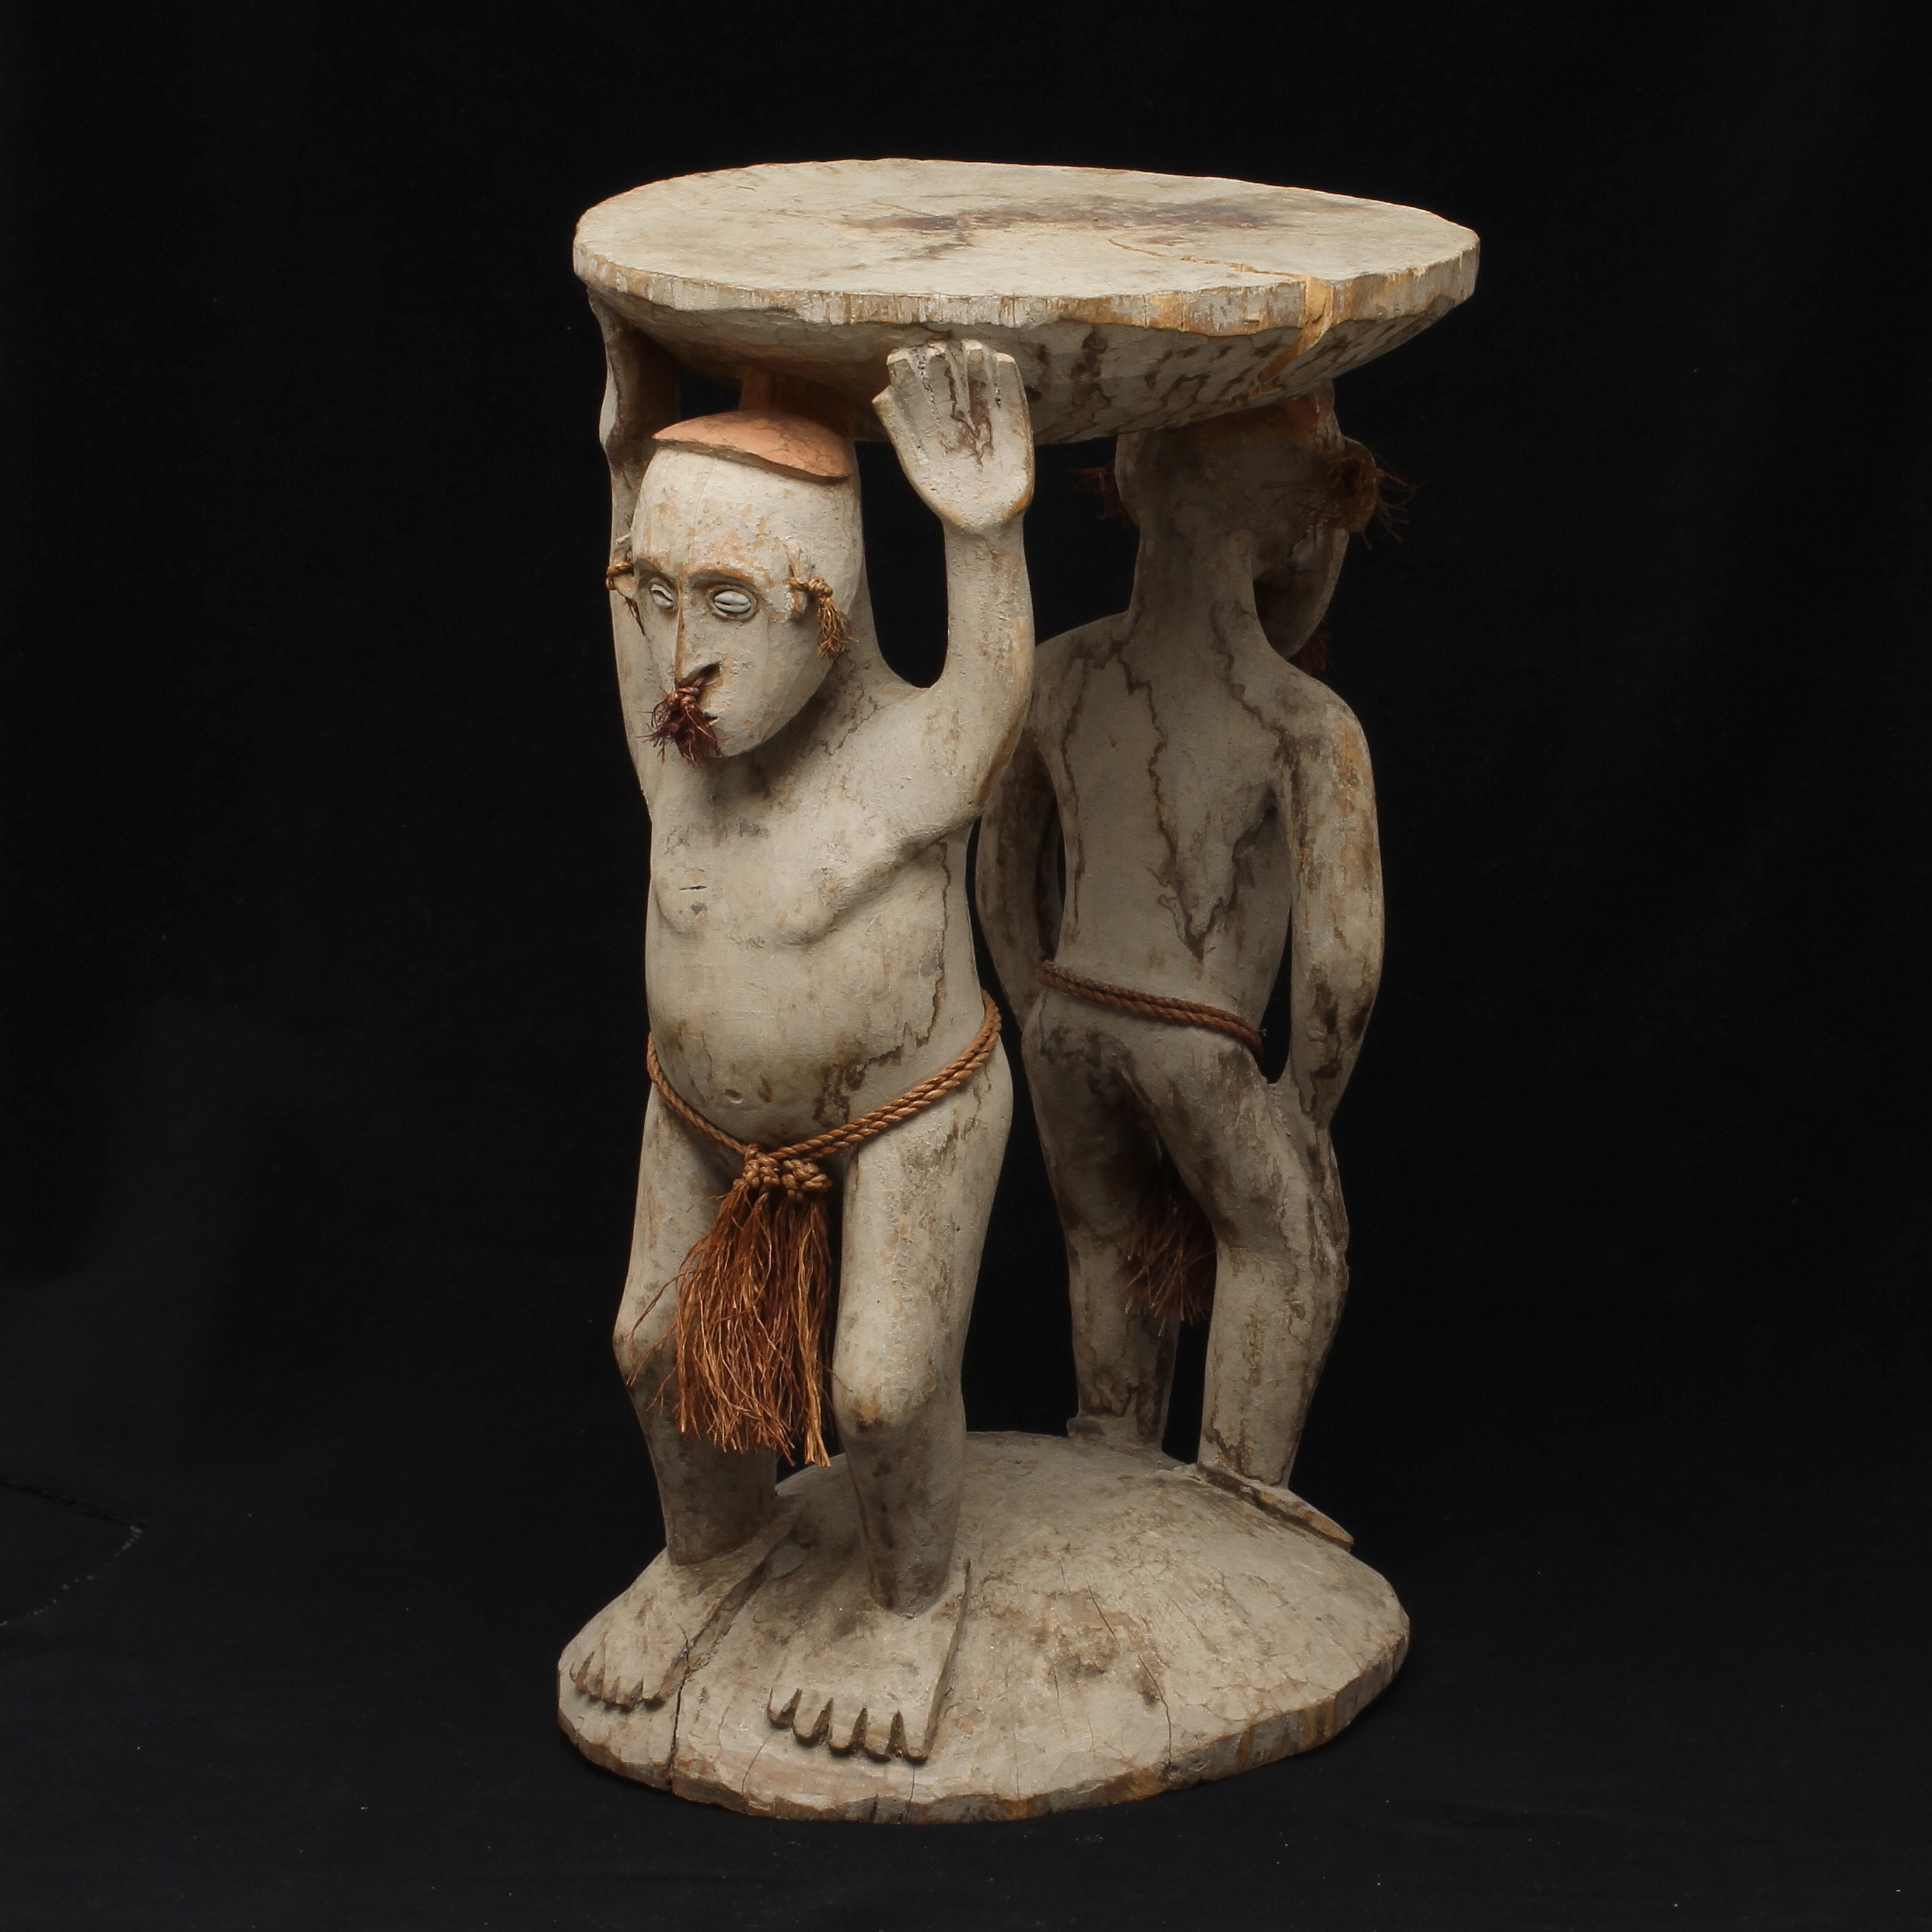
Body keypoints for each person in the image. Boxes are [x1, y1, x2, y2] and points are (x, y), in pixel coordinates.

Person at [568, 341, 1033, 1762]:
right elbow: (627, 575)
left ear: (827, 616)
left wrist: (982, 528)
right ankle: (708, 1550)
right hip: (699, 1113)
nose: (682, 659)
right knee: (651, 1344)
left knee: (882, 1384)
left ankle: (910, 1603)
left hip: (908, 1110)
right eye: (656, 599)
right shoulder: (678, 748)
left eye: (729, 604)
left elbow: (990, 696)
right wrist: (628, 450)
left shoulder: (902, 761)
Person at [978, 385, 1383, 1535]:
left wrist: (1037, 1004)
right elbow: (1344, 959)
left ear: (1135, 483)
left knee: (1103, 1240)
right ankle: (1239, 1499)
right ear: (1302, 525)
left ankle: (1110, 1451)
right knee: (1289, 1248)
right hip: (1196, 1046)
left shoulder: (1059, 673)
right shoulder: (1300, 718)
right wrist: (1306, 1106)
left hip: (1066, 1021)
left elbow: (998, 870)